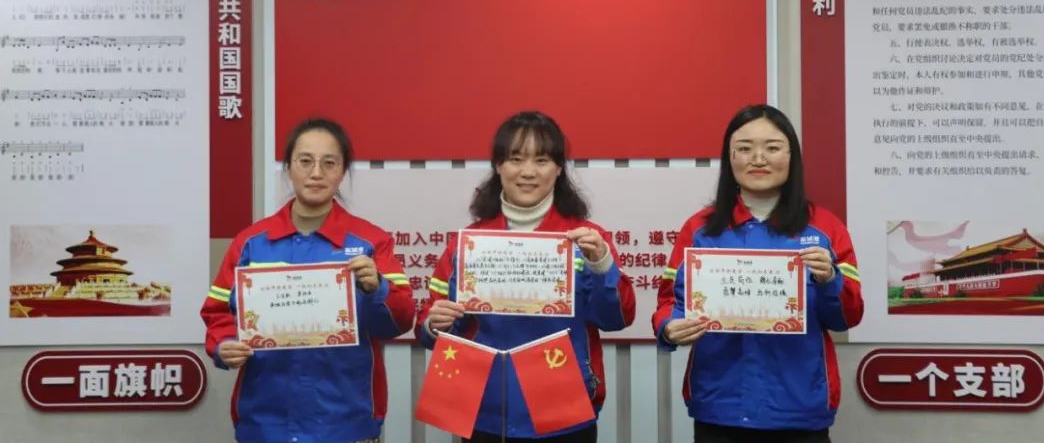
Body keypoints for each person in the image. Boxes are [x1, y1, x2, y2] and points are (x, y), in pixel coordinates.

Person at [416, 111, 636, 443]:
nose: (528, 172)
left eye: (542, 160)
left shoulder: (588, 240)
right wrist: (435, 324)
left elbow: (617, 319)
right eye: (516, 159)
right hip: (485, 410)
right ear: (498, 165)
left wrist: (602, 264)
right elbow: (431, 327)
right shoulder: (467, 244)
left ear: (559, 168)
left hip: (565, 409)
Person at [653, 104, 863, 443]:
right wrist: (669, 327)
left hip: (799, 408)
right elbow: (671, 302)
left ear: (792, 156)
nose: (759, 158)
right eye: (745, 148)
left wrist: (829, 280)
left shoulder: (826, 229)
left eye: (773, 147)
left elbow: (846, 318)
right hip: (719, 405)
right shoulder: (700, 229)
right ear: (730, 158)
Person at [201, 118, 415, 443]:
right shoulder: (251, 243)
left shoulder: (371, 242)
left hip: (346, 420)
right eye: (305, 161)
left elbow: (399, 322)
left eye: (329, 163)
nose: (316, 173)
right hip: (265, 420)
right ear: (288, 168)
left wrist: (377, 288)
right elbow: (218, 313)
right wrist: (223, 345)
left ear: (342, 171)